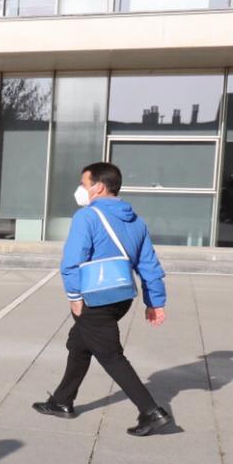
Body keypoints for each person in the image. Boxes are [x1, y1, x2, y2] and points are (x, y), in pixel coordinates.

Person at [34, 161, 174, 437]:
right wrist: (154, 301)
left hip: (94, 298)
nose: (81, 190)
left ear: (98, 187)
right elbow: (149, 266)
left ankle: (151, 412)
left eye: (84, 184)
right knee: (79, 343)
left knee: (110, 355)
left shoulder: (87, 217)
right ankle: (62, 401)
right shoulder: (136, 221)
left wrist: (74, 295)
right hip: (121, 296)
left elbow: (72, 260)